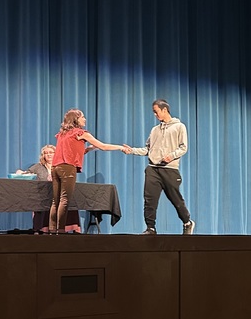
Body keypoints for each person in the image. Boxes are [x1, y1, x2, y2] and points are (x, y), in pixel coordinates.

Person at [123, 99, 195, 235]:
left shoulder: (179, 127)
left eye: (156, 112)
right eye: (154, 113)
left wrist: (172, 155)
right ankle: (151, 228)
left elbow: (183, 147)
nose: (155, 115)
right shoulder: (154, 130)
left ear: (164, 110)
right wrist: (131, 150)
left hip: (170, 170)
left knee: (176, 199)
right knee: (149, 200)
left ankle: (187, 222)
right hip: (152, 169)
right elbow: (147, 150)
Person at [49, 109, 126, 234]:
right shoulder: (80, 132)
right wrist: (121, 147)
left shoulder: (63, 134)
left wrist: (88, 149)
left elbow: (68, 152)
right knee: (64, 199)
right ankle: (61, 230)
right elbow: (103, 146)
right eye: (82, 117)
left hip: (55, 167)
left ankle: (52, 229)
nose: (85, 119)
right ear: (76, 119)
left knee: (55, 200)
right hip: (67, 168)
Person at [25, 144, 81, 233]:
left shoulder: (62, 166)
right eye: (46, 153)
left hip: (60, 193)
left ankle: (70, 228)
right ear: (43, 156)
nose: (49, 155)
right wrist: (21, 172)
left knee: (69, 201)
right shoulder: (38, 166)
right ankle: (47, 229)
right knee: (51, 203)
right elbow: (27, 174)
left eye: (51, 152)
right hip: (44, 195)